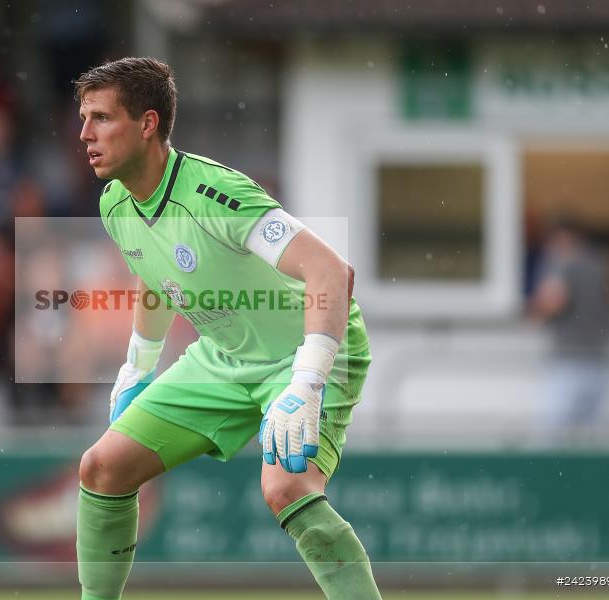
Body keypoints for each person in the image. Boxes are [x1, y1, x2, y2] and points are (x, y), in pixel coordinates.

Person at [72, 57, 381, 599]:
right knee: (102, 468)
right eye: (84, 118)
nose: (85, 134)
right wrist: (138, 367)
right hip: (225, 356)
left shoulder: (216, 194)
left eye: (101, 118)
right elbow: (155, 276)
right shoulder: (115, 203)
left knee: (286, 487)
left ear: (147, 124)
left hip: (304, 354)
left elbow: (331, 271)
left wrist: (307, 382)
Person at [527, 218, 609, 446]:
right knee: (593, 443)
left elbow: (552, 302)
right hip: (600, 361)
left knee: (550, 439)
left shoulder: (562, 265)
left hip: (569, 362)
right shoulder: (599, 265)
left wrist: (535, 312)